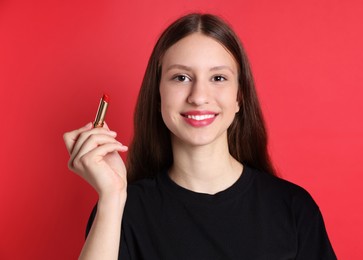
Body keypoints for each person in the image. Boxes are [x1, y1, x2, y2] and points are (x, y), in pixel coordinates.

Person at [64, 13, 336, 259]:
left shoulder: (292, 208)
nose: (199, 97)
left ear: (239, 96)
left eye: (218, 78)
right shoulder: (121, 209)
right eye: (181, 77)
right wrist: (112, 196)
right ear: (158, 94)